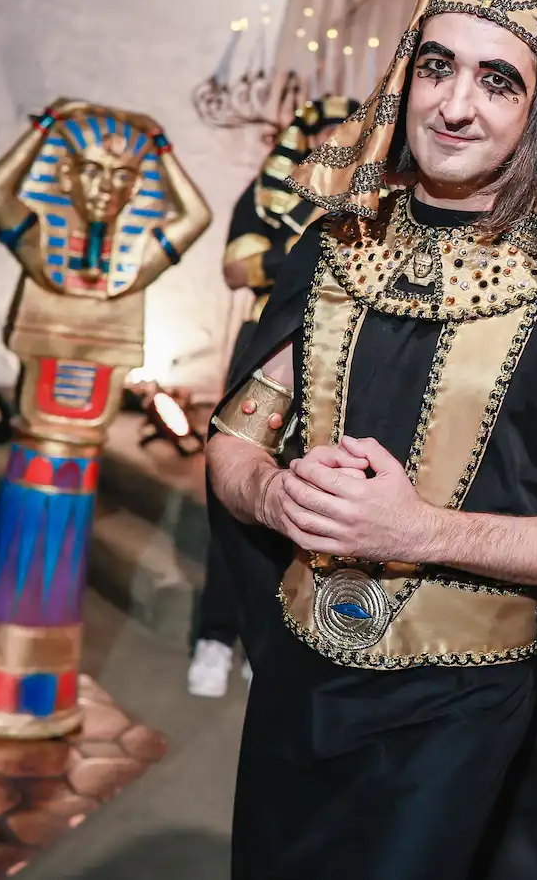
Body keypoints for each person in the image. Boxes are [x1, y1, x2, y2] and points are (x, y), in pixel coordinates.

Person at [204, 0, 537, 878]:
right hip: (296, 683)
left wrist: (420, 529)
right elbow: (236, 438)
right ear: (406, 74)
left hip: (454, 713)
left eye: (497, 81)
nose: (454, 104)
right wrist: (275, 498)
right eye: (437, 66)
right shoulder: (334, 246)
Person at [189, 96, 354, 697]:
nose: (332, 149)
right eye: (323, 137)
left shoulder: (371, 202)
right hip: (262, 349)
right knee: (233, 494)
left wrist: (281, 260)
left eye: (347, 137)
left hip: (333, 358)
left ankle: (268, 634)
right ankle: (213, 635)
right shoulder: (265, 197)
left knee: (302, 496)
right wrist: (314, 252)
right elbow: (236, 267)